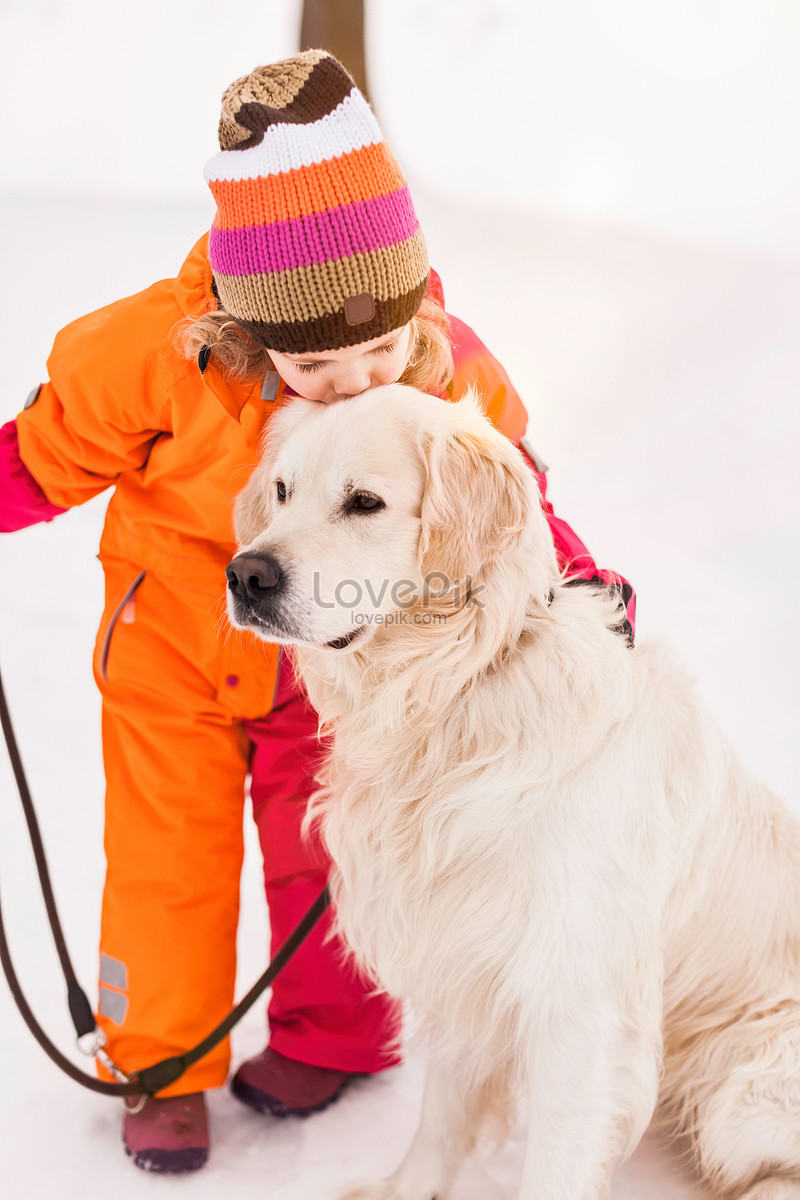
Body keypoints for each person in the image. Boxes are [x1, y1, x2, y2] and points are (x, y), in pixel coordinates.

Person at [0, 50, 634, 1174]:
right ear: (250, 325)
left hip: (334, 665)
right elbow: (45, 453)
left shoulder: (442, 367)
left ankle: (334, 1036)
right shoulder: (153, 354)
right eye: (317, 362)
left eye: (379, 349)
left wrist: (576, 577)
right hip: (170, 659)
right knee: (166, 862)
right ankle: (164, 1060)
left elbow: (507, 495)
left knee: (331, 849)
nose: (356, 382)